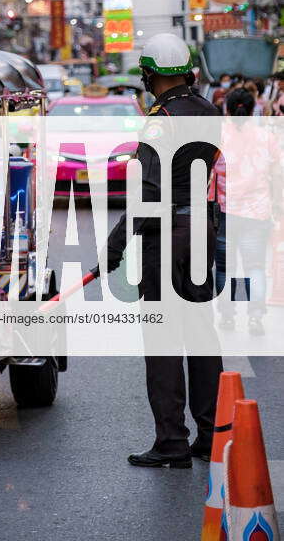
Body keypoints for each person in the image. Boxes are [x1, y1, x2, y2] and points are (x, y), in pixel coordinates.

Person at [97, 33, 223, 468]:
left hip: (166, 236)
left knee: (165, 341)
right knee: (202, 337)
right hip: (201, 231)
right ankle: (211, 435)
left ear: (150, 75)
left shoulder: (160, 120)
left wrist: (113, 250)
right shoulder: (209, 111)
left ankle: (171, 441)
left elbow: (147, 196)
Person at [213, 88, 280, 336]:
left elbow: (208, 174)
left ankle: (227, 316)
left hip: (225, 213)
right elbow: (276, 174)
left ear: (227, 109)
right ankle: (255, 317)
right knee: (255, 267)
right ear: (253, 109)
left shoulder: (218, 137)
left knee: (224, 268)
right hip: (258, 213)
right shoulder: (267, 137)